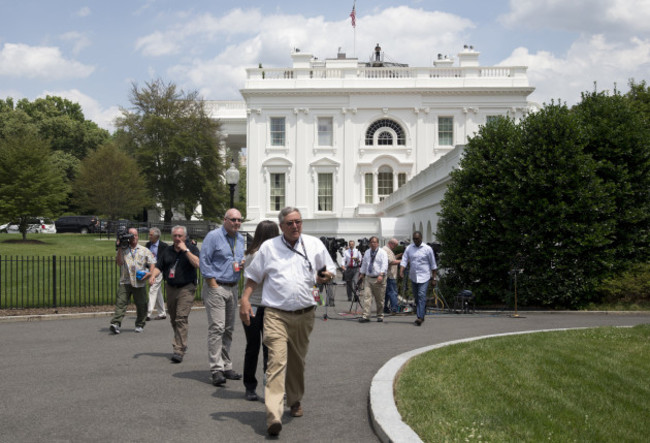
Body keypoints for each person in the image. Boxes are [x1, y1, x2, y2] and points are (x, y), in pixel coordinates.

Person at [239, 207, 336, 437]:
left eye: (299, 222)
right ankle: (273, 415)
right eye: (290, 223)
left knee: (297, 362)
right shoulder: (269, 248)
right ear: (281, 226)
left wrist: (327, 275)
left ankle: (294, 400)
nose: (295, 226)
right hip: (275, 314)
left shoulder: (314, 245)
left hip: (304, 314)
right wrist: (244, 299)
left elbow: (330, 269)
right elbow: (254, 276)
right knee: (276, 362)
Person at [199, 208, 245, 386]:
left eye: (239, 220)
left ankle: (226, 365)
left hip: (233, 287)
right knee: (217, 327)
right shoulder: (213, 236)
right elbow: (204, 259)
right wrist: (212, 282)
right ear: (225, 220)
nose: (236, 223)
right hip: (217, 286)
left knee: (228, 329)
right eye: (233, 220)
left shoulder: (240, 239)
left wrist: (241, 264)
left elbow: (237, 259)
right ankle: (216, 369)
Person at [149, 226, 200, 363]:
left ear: (185, 237)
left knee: (181, 318)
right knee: (173, 318)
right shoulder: (167, 251)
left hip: (186, 288)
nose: (177, 238)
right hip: (171, 287)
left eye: (180, 236)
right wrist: (153, 276)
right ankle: (182, 342)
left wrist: (186, 250)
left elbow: (197, 263)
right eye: (175, 236)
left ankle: (178, 350)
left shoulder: (191, 249)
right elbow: (159, 266)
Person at [241, 220, 280, 401]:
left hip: (264, 305)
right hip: (257, 304)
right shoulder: (258, 255)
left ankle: (261, 386)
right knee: (259, 347)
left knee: (262, 347)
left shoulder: (257, 253)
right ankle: (254, 386)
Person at [109, 228, 156, 334]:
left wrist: (150, 273)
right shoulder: (124, 249)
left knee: (141, 304)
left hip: (139, 282)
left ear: (138, 236)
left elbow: (152, 262)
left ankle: (140, 324)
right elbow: (119, 263)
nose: (133, 237)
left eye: (135, 235)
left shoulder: (144, 250)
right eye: (131, 235)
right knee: (121, 303)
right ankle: (115, 323)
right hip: (125, 281)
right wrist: (120, 247)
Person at [399, 231, 437, 326]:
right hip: (413, 277)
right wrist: (401, 271)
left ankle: (420, 317)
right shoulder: (409, 248)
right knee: (416, 297)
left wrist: (434, 278)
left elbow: (433, 264)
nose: (415, 240)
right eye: (414, 239)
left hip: (424, 277)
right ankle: (422, 311)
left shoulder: (427, 249)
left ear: (421, 238)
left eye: (417, 239)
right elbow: (404, 260)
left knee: (421, 295)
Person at [358, 236, 388, 323]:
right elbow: (364, 264)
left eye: (375, 242)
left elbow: (385, 264)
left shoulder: (382, 252)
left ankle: (380, 315)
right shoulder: (367, 252)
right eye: (371, 242)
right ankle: (366, 316)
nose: (373, 244)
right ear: (369, 243)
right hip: (369, 278)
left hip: (379, 278)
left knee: (379, 299)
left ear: (378, 243)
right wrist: (362, 273)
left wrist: (381, 274)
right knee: (367, 297)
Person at [146, 227, 168, 321]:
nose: (149, 236)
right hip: (149, 270)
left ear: (156, 236)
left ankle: (147, 313)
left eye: (151, 235)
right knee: (157, 291)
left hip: (159, 270)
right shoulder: (148, 245)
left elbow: (165, 260)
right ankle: (162, 313)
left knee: (153, 289)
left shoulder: (164, 246)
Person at [382, 238, 402, 315]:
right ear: (391, 244)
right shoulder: (385, 250)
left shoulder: (387, 250)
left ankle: (385, 307)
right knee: (393, 292)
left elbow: (392, 258)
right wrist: (403, 260)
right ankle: (395, 308)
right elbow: (391, 261)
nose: (396, 247)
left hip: (389, 274)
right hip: (390, 274)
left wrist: (398, 255)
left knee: (387, 293)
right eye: (395, 246)